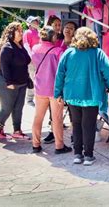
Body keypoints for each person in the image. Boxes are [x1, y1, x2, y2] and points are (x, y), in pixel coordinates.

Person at [54, 27, 109, 166]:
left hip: (72, 94)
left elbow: (60, 74)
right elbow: (108, 72)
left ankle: (77, 154)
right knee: (89, 125)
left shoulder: (68, 52)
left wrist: (58, 93)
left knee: (76, 124)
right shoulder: (98, 53)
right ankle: (88, 155)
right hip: (91, 95)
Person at [31, 26, 72, 154]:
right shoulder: (58, 51)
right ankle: (59, 146)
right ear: (52, 37)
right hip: (55, 90)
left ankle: (36, 144)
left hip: (40, 88)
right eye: (55, 35)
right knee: (57, 119)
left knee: (38, 117)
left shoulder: (35, 48)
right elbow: (65, 70)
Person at [0, 22, 31, 140]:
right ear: (11, 33)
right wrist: (9, 83)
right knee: (7, 108)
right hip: (5, 83)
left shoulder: (20, 45)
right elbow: (4, 67)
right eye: (18, 30)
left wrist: (27, 78)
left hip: (21, 83)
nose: (21, 32)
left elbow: (24, 64)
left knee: (19, 107)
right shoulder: (7, 47)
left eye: (21, 30)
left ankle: (17, 131)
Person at [43, 15, 69, 144]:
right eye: (56, 25)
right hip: (51, 78)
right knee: (51, 107)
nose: (59, 27)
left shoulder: (63, 40)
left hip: (63, 77)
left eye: (60, 25)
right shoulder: (48, 42)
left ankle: (56, 129)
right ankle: (52, 131)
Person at [23, 15, 41, 106]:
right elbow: (26, 46)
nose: (36, 23)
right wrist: (31, 57)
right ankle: (29, 99)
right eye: (34, 22)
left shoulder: (39, 32)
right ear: (29, 24)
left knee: (38, 78)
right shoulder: (27, 33)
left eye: (37, 22)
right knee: (32, 78)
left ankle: (37, 97)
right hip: (31, 60)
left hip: (40, 59)